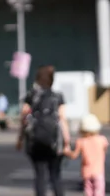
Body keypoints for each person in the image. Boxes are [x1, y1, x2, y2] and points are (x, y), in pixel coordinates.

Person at [16, 65, 70, 196]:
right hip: (55, 141)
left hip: (36, 141)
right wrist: (67, 142)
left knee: (40, 175)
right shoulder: (57, 96)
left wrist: (20, 139)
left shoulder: (31, 96)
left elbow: (24, 119)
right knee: (55, 175)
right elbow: (62, 119)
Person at [65, 114, 108, 196]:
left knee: (88, 192)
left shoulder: (81, 141)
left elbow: (74, 155)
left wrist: (67, 151)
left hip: (86, 172)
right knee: (99, 192)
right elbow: (105, 150)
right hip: (99, 171)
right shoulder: (102, 140)